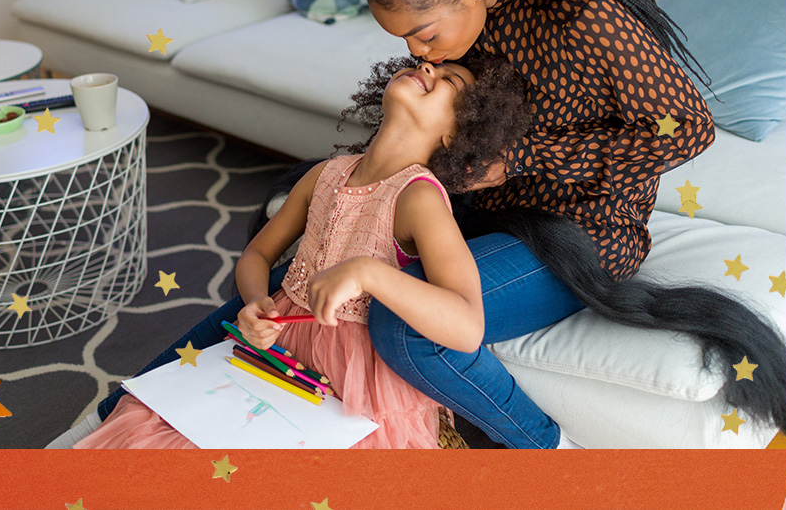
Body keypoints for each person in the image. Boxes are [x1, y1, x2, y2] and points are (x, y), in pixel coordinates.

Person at [53, 0, 786, 449]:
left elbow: (686, 129)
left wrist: (528, 161)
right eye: (401, 40)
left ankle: (544, 450)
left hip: (578, 228)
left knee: (408, 334)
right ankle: (130, 405)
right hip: (474, 204)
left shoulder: (585, 16)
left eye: (422, 34)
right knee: (287, 279)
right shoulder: (471, 17)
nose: (419, 55)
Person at [71, 54, 536, 449]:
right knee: (174, 440)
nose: (428, 66)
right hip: (281, 359)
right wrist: (257, 302)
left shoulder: (419, 198)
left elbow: (467, 325)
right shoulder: (326, 174)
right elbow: (257, 257)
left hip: (357, 385)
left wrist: (368, 274)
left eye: (449, 81)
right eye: (426, 63)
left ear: (456, 136)